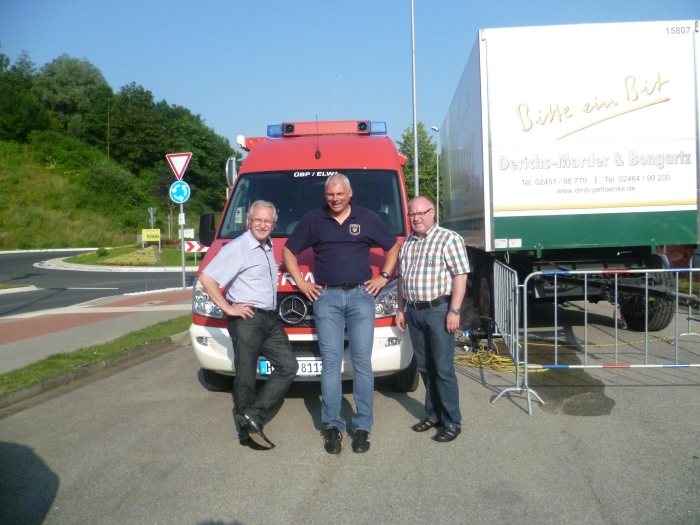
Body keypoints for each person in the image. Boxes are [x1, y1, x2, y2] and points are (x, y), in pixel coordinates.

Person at [282, 173, 400, 454]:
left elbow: (392, 246)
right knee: (331, 362)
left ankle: (362, 427)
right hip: (327, 298)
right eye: (330, 194)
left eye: (339, 194)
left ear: (350, 193)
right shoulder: (313, 219)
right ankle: (332, 426)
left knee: (362, 361)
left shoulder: (367, 218)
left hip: (361, 296)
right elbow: (288, 251)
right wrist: (300, 282)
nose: (334, 199)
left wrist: (383, 276)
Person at [199, 200, 297, 450]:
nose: (263, 225)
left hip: (269, 317)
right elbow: (206, 277)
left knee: (288, 366)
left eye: (268, 221)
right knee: (246, 375)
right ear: (249, 222)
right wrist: (228, 308)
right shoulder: (238, 247)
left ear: (273, 224)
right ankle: (246, 432)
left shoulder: (267, 245)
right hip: (246, 318)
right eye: (258, 220)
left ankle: (254, 415)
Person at [395, 196, 470, 443]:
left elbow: (460, 276)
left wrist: (454, 311)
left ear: (432, 212)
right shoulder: (407, 244)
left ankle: (452, 421)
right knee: (425, 367)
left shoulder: (449, 239)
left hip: (439, 312)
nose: (416, 218)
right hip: (414, 312)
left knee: (443, 368)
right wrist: (400, 309)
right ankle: (434, 414)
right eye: (412, 214)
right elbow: (401, 280)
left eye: (420, 213)